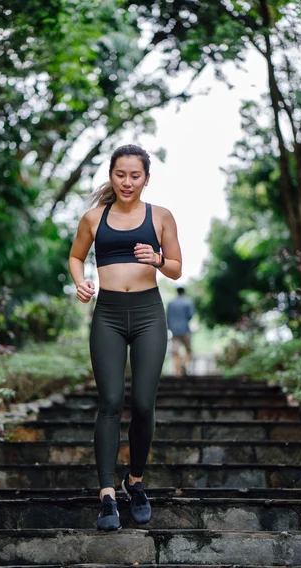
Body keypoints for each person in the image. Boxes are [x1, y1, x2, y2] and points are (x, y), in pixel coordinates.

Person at [68, 144, 182, 531]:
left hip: (149, 314)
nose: (127, 182)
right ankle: (106, 496)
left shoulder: (161, 217)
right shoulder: (93, 218)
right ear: (111, 175)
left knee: (144, 404)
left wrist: (158, 260)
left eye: (135, 175)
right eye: (121, 174)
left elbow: (178, 269)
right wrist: (81, 282)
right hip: (109, 316)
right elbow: (75, 257)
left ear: (146, 178)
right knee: (111, 401)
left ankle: (135, 480)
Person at [166, 287, 195, 376]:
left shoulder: (171, 303)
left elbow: (167, 317)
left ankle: (177, 373)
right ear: (183, 292)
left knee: (175, 352)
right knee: (189, 350)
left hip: (174, 331)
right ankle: (183, 363)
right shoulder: (188, 302)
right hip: (185, 329)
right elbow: (190, 315)